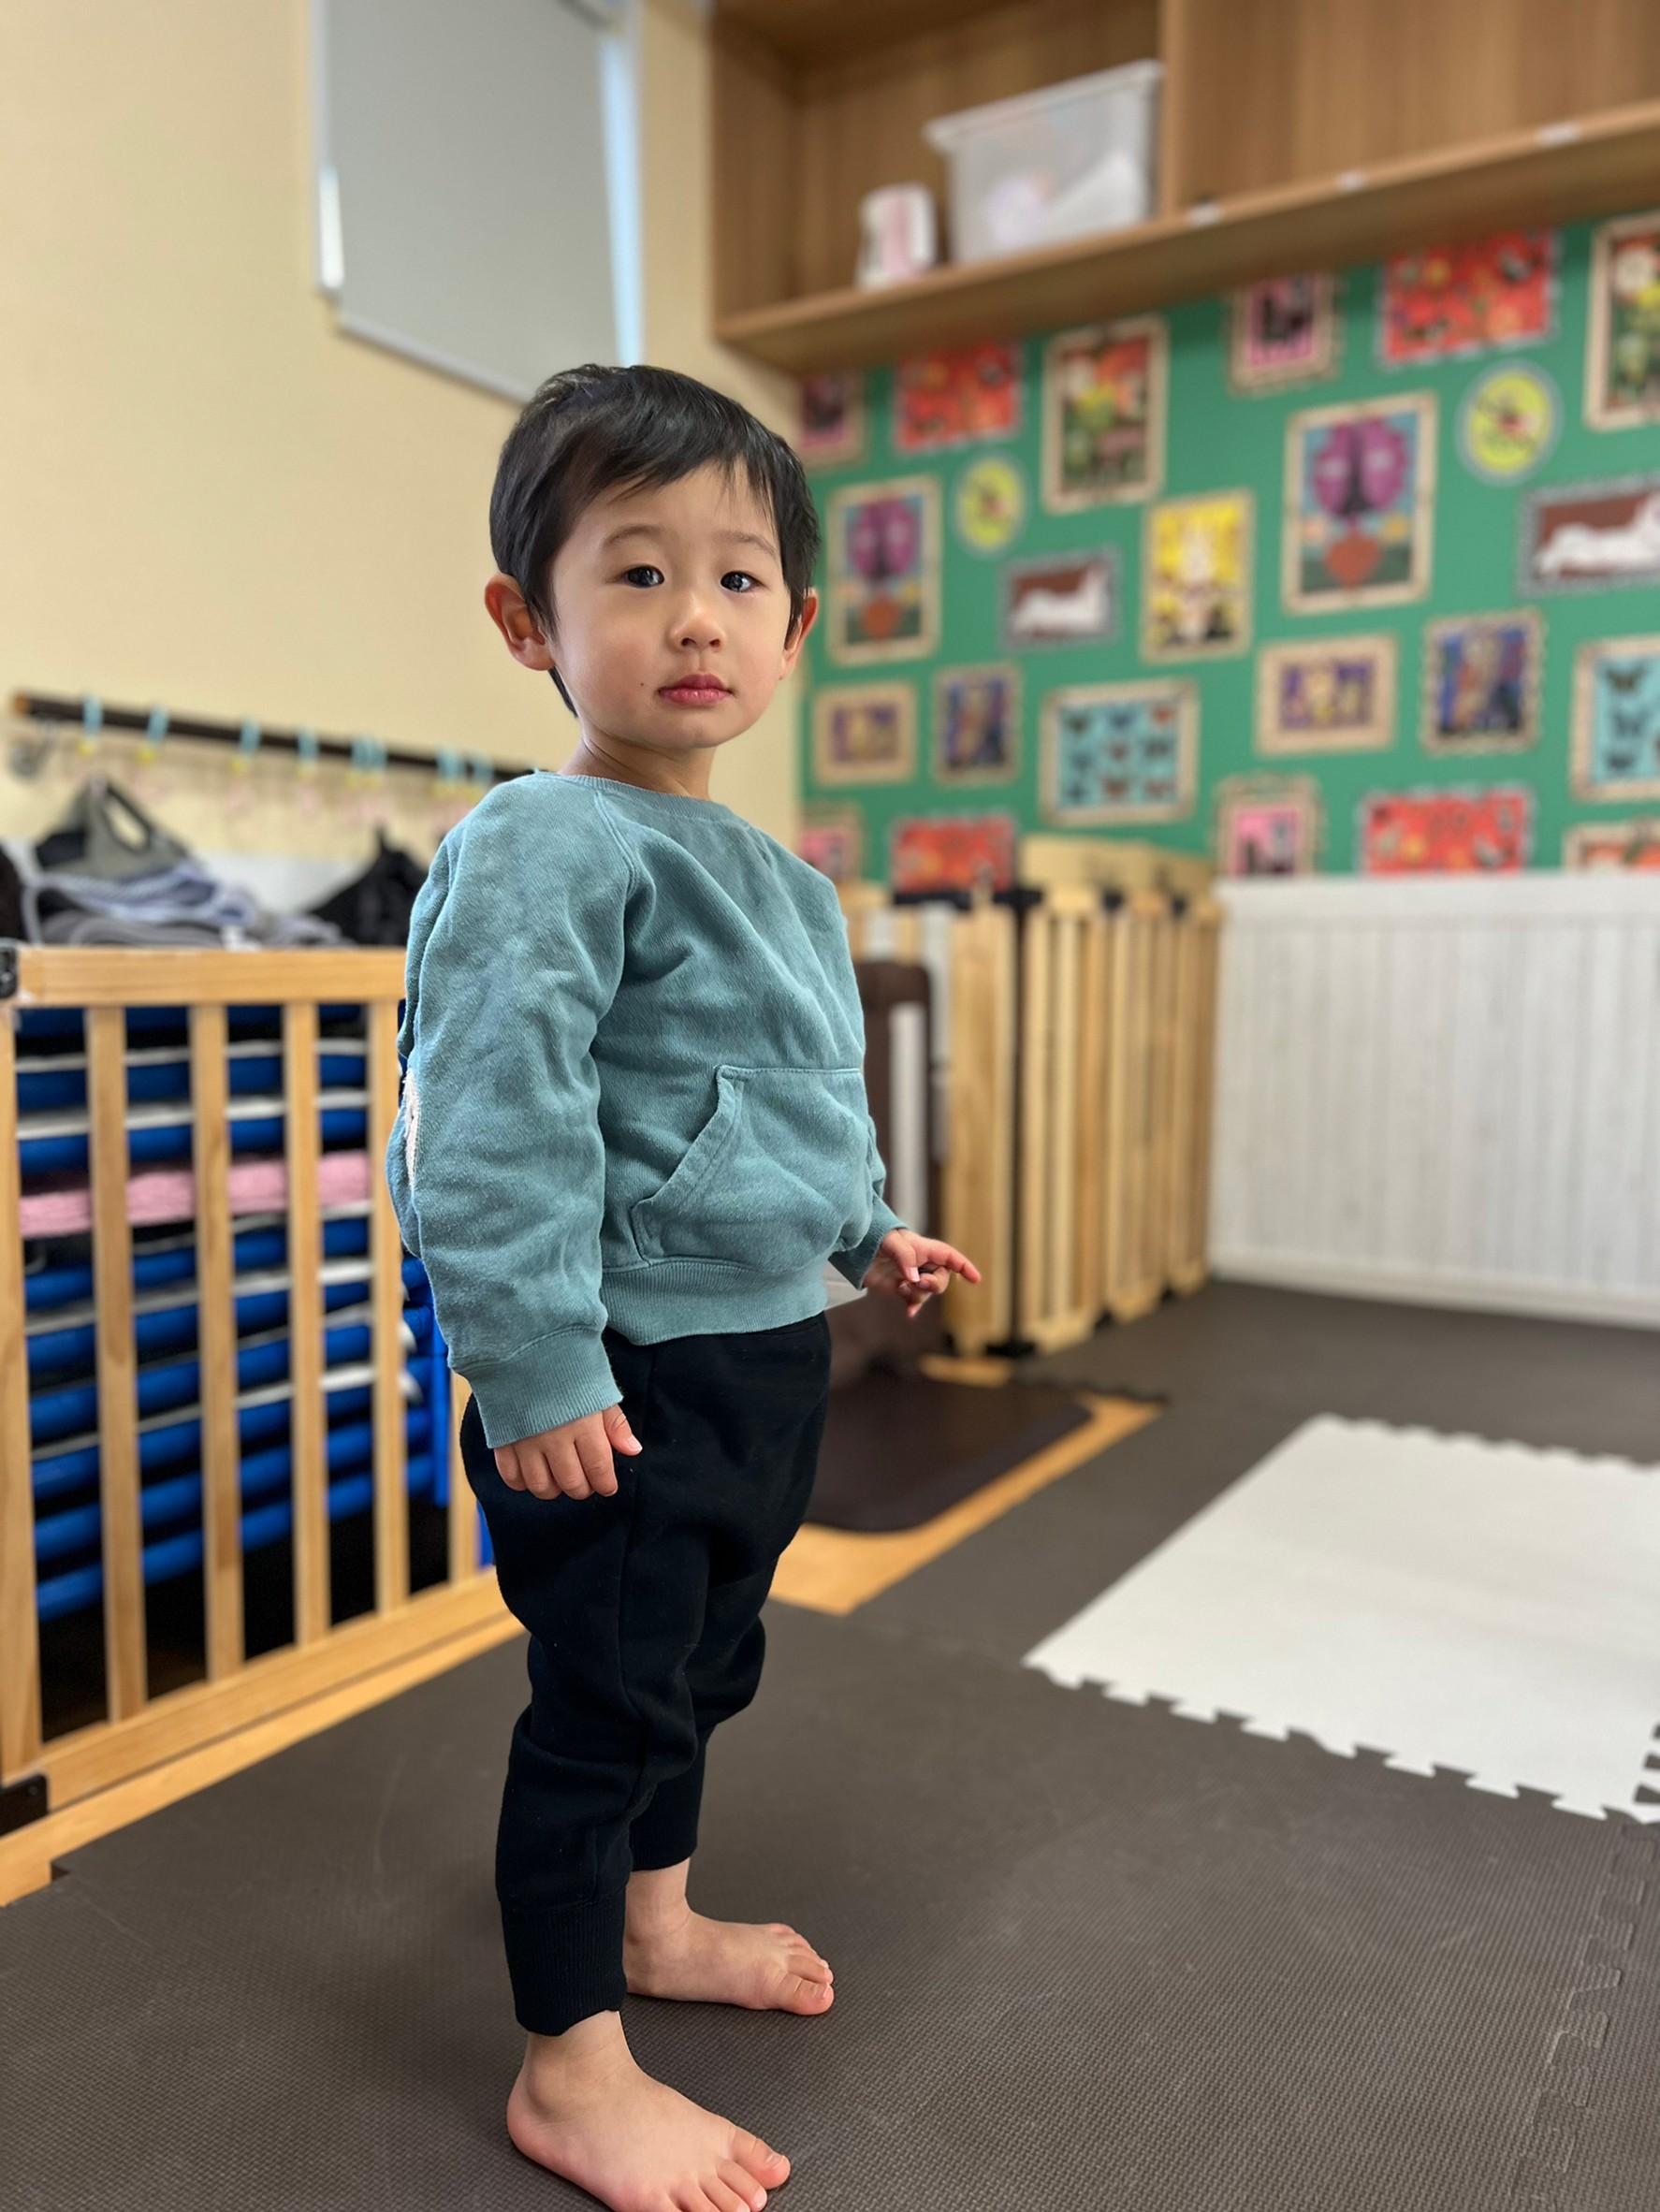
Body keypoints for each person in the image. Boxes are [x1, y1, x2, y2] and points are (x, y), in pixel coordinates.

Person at [386, 362, 981, 2212]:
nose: (694, 618)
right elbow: (488, 1123)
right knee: (604, 1708)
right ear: (529, 623)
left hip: (759, 1358)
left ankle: (653, 1924)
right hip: (621, 1375)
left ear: (794, 628)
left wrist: (861, 1228)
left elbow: (791, 1092)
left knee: (702, 1674)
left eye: (735, 579)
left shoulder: (782, 882)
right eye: (636, 574)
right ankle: (568, 2070)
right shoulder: (541, 842)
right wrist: (536, 1366)